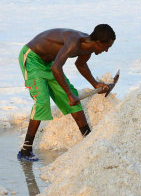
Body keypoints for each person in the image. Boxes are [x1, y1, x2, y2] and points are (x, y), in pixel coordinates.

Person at [17, 24, 116, 162]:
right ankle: (25, 150)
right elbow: (56, 68)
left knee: (73, 100)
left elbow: (80, 65)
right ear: (98, 42)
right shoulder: (74, 42)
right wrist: (69, 95)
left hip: (50, 63)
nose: (106, 50)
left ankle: (89, 139)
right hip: (33, 58)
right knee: (42, 101)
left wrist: (96, 85)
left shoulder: (88, 48)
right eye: (107, 47)